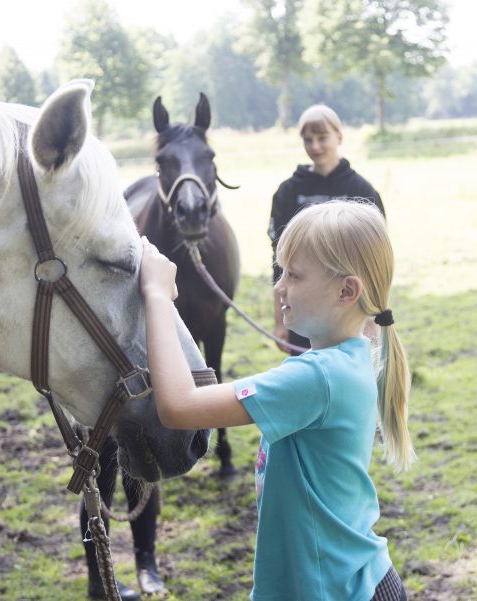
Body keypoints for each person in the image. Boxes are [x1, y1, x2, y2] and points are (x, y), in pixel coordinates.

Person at [140, 200, 414, 601]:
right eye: (280, 271)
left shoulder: (316, 378)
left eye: (295, 275)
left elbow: (178, 407)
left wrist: (157, 297)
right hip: (346, 582)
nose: (278, 286)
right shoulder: (350, 356)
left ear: (347, 290)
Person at [269, 104, 385, 355]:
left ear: (339, 137)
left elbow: (375, 261)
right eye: (308, 140)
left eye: (323, 138)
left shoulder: (362, 191)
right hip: (304, 311)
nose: (315, 146)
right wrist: (280, 321)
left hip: (351, 314)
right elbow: (279, 263)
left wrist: (373, 317)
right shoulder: (287, 193)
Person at [79, 435, 165, 600]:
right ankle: (98, 579)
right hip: (99, 413)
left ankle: (147, 565)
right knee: (99, 478)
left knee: (142, 474)